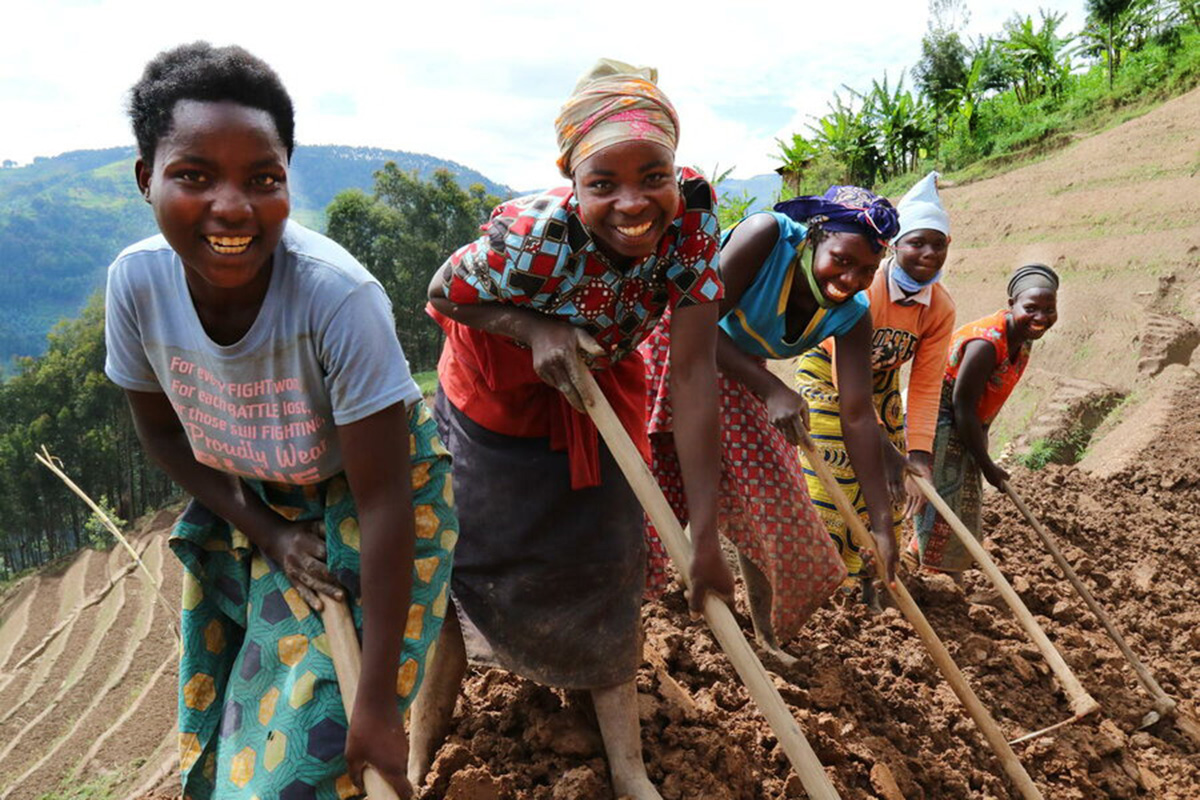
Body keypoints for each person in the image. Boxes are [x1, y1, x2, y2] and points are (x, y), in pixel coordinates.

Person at [104, 43, 455, 799]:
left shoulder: (337, 298)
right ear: (146, 179)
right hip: (257, 499)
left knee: (317, 754)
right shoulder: (136, 285)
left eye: (262, 179)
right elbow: (162, 436)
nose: (232, 206)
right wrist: (269, 532)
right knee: (237, 739)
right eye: (193, 175)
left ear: (287, 183)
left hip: (378, 502)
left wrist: (377, 704)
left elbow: (387, 500)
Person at [412, 60, 732, 800]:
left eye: (653, 175)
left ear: (676, 170)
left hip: (604, 385)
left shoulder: (693, 225)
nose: (633, 203)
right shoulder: (531, 237)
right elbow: (441, 291)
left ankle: (629, 769)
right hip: (496, 398)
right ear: (573, 180)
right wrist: (530, 327)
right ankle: (418, 755)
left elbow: (691, 378)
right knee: (470, 574)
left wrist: (705, 537)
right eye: (603, 184)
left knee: (606, 562)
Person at [639, 185, 901, 661]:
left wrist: (882, 525)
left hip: (741, 376)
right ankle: (636, 616)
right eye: (842, 260)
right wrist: (773, 390)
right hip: (674, 352)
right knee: (654, 490)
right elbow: (692, 324)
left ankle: (766, 637)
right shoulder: (766, 237)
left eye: (867, 271)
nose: (850, 279)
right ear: (816, 237)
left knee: (775, 500)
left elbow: (858, 414)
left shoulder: (852, 315)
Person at [795, 172, 956, 609]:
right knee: (836, 475)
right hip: (828, 375)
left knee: (895, 484)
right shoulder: (867, 286)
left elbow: (924, 385)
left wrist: (918, 459)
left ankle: (874, 587)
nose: (927, 253)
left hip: (880, 386)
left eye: (937, 244)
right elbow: (846, 387)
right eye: (916, 242)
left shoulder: (938, 307)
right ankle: (827, 587)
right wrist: (881, 445)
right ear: (895, 246)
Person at [909, 264, 1060, 574]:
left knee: (965, 498)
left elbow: (978, 405)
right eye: (1031, 308)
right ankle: (938, 578)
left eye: (1049, 308)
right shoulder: (986, 344)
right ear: (1011, 305)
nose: (1041, 317)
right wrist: (987, 465)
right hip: (936, 417)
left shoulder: (1023, 338)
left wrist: (981, 449)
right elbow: (961, 405)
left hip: (962, 419)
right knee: (946, 501)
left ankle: (918, 559)